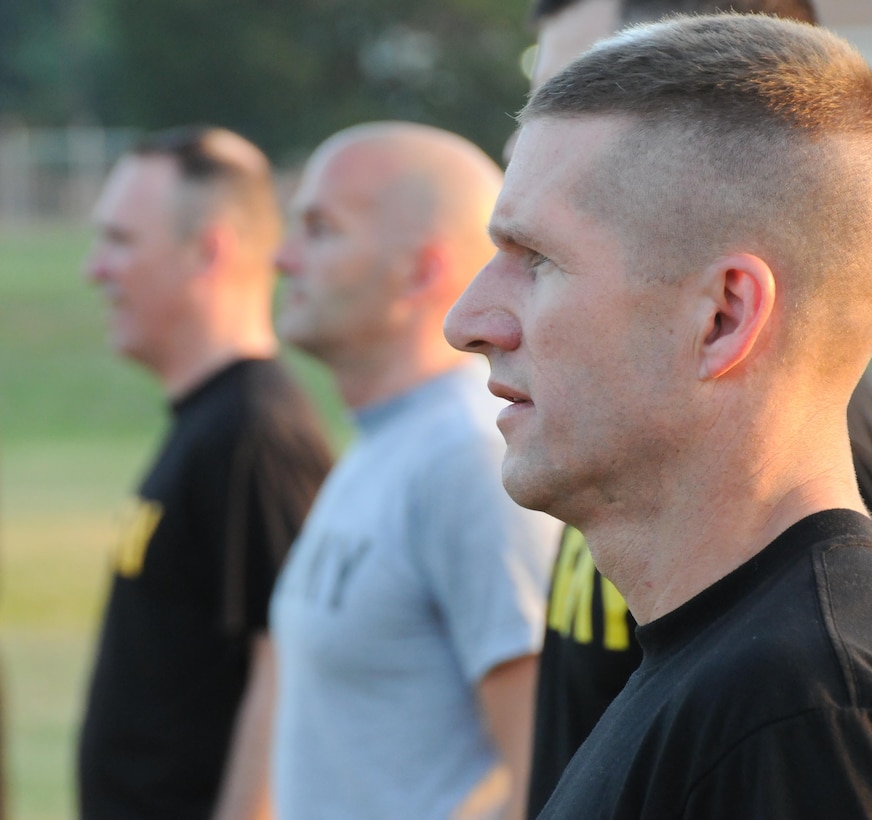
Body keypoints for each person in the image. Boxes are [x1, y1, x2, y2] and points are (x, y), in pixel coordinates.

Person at [445, 14, 872, 816]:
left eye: (540, 260)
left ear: (723, 318)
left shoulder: (809, 716)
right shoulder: (752, 678)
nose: (468, 321)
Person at [269, 121, 561, 820]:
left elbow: (539, 770)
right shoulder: (386, 441)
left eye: (319, 228)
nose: (282, 257)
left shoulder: (469, 460)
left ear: (421, 270)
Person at [78, 125, 333, 820]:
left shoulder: (254, 433)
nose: (94, 269)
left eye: (120, 241)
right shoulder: (211, 422)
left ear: (207, 251)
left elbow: (289, 666)